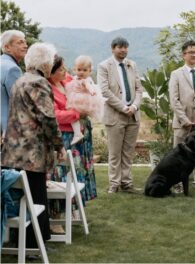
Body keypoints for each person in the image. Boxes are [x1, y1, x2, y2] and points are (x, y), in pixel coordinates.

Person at [1, 42, 65, 250]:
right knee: (35, 197)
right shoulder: (38, 82)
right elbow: (47, 117)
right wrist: (59, 145)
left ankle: (25, 241)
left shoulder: (20, 80)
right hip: (31, 152)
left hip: (14, 150)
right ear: (45, 63)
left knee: (21, 198)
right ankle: (32, 244)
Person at [50, 55, 99, 206]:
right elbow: (55, 115)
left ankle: (78, 205)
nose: (65, 71)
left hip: (82, 133)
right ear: (50, 72)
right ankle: (63, 209)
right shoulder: (48, 88)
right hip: (66, 136)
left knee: (81, 169)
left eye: (65, 67)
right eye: (60, 69)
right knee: (67, 171)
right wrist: (77, 114)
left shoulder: (68, 80)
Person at [98, 36, 143, 194]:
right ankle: (114, 184)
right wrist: (123, 107)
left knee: (128, 152)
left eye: (125, 47)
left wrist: (135, 106)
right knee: (115, 152)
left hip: (133, 115)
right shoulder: (104, 66)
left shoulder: (132, 64)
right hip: (115, 115)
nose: (123, 50)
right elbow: (104, 91)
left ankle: (127, 183)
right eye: (120, 47)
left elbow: (139, 89)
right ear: (113, 48)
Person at [168, 40, 195, 191]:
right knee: (178, 156)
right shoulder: (176, 74)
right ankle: (177, 185)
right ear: (184, 55)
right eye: (191, 52)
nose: (194, 55)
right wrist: (185, 120)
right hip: (182, 123)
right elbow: (174, 100)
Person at [64, 55, 105, 144]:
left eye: (84, 70)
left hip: (80, 100)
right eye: (79, 70)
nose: (81, 72)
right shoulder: (75, 79)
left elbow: (88, 86)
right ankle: (78, 132)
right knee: (74, 116)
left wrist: (92, 91)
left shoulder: (85, 80)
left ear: (90, 71)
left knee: (72, 114)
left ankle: (77, 133)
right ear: (74, 69)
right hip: (79, 98)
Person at [1, 30, 28, 138]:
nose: (25, 46)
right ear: (7, 47)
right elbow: (20, 103)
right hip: (9, 131)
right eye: (20, 42)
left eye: (25, 42)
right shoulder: (12, 69)